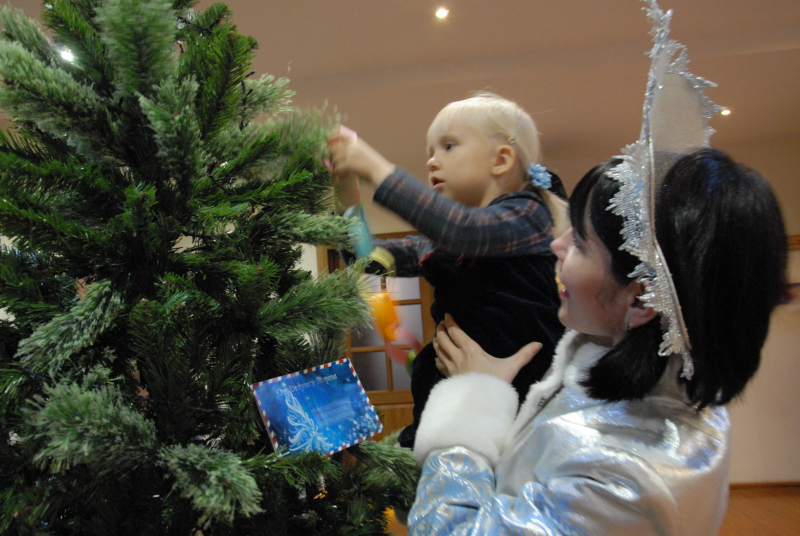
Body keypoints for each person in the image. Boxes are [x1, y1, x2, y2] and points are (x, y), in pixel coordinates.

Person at [408, 150, 788, 535]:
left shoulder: (628, 479)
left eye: (581, 242)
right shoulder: (634, 368)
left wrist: (469, 406)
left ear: (639, 300)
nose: (557, 245)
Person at [327, 93, 567, 449]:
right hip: (452, 394)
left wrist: (375, 167)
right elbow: (367, 259)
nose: (432, 161)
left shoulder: (527, 215)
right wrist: (346, 188)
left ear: (501, 160)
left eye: (448, 146)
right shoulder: (434, 242)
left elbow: (465, 231)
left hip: (524, 401)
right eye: (429, 152)